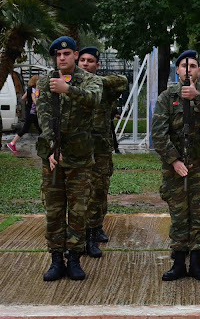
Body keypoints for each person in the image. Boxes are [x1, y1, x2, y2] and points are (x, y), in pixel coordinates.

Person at [151, 50, 200, 281]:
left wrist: (196, 98)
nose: (188, 70)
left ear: (199, 71)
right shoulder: (167, 96)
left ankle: (195, 261)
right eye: (183, 66)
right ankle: (178, 261)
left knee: (198, 211)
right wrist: (173, 160)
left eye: (192, 66)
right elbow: (158, 132)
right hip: (175, 166)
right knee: (179, 213)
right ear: (177, 70)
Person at [36, 36, 103, 281]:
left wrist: (69, 90)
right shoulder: (46, 81)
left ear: (75, 55)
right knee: (53, 210)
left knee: (78, 210)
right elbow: (43, 116)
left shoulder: (89, 79)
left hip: (80, 157)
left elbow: (95, 99)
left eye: (66, 54)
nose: (62, 58)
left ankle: (74, 258)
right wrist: (53, 147)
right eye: (58, 55)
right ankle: (56, 259)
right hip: (52, 157)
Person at [77, 47, 128, 257]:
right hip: (78, 149)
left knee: (99, 191)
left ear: (97, 65)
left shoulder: (105, 87)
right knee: (81, 193)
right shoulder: (70, 86)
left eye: (90, 61)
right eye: (82, 60)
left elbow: (123, 80)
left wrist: (94, 81)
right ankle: (83, 235)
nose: (85, 64)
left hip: (101, 149)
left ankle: (95, 229)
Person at [7, 75, 41, 152]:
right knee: (26, 129)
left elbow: (23, 98)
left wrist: (28, 101)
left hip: (31, 112)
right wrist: (36, 103)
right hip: (32, 113)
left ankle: (44, 144)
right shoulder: (34, 90)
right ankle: (12, 143)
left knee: (39, 129)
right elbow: (34, 100)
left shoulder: (30, 89)